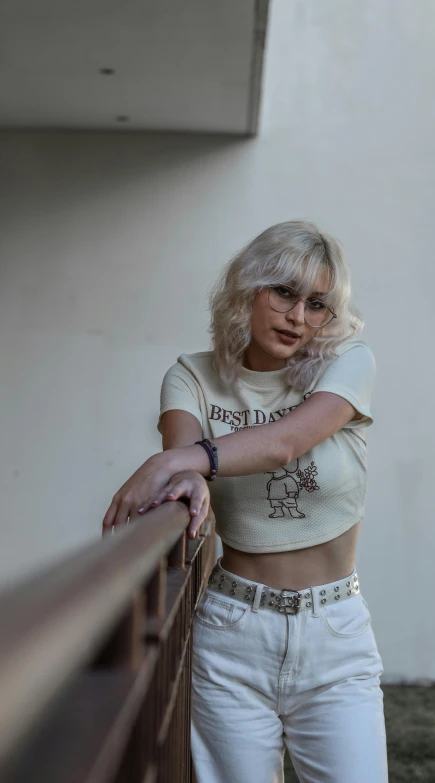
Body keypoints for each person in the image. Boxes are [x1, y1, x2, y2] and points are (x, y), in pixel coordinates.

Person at [103, 221, 388, 783]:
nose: (298, 317)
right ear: (247, 289)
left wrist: (170, 463)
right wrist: (179, 470)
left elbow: (282, 445)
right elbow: (188, 471)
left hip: (334, 632)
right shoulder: (192, 378)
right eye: (283, 292)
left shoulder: (347, 362)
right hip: (232, 633)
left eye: (317, 304)